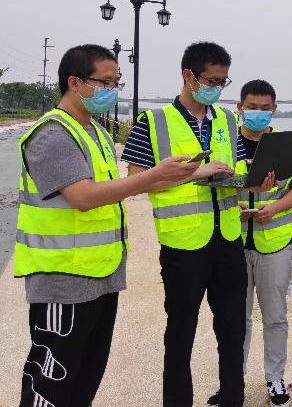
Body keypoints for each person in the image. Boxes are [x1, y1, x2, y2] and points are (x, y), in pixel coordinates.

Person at [15, 44, 201, 407]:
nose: (113, 91)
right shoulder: (53, 133)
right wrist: (153, 177)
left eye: (117, 82)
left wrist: (167, 176)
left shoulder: (95, 132)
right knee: (50, 386)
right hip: (63, 282)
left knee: (83, 383)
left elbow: (110, 191)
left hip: (101, 277)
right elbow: (84, 197)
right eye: (105, 82)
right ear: (75, 82)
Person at [121, 42, 274, 407]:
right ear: (188, 76)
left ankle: (231, 400)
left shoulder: (225, 120)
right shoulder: (154, 122)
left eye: (223, 81)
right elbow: (135, 181)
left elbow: (234, 173)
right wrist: (193, 174)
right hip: (183, 246)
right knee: (180, 335)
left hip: (228, 242)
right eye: (211, 80)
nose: (217, 88)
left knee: (233, 332)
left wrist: (254, 182)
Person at [206, 80, 292, 407]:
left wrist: (273, 207)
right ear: (240, 107)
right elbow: (210, 185)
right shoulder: (225, 144)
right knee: (236, 319)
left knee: (275, 316)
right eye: (252, 106)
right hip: (233, 246)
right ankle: (231, 382)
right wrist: (232, 207)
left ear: (274, 110)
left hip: (274, 245)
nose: (258, 113)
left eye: (265, 108)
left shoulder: (283, 146)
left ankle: (275, 380)